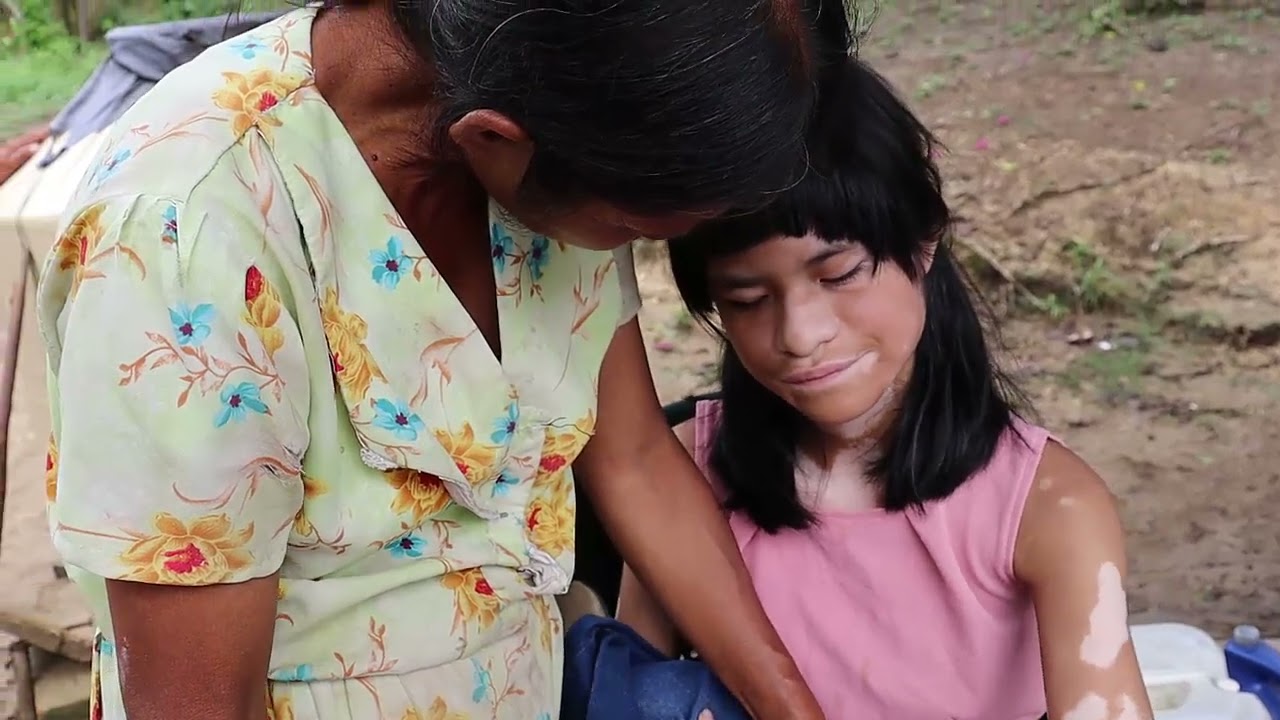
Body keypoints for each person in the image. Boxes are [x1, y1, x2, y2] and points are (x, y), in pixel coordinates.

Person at [35, 0, 856, 717]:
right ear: (495, 139)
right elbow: (196, 706)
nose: (626, 252)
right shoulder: (191, 238)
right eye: (634, 230)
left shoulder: (560, 115)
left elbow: (636, 459)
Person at [613, 57, 1156, 719]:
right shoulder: (679, 477)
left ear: (924, 240)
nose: (801, 334)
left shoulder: (1052, 509)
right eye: (748, 298)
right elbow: (628, 691)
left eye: (839, 274)